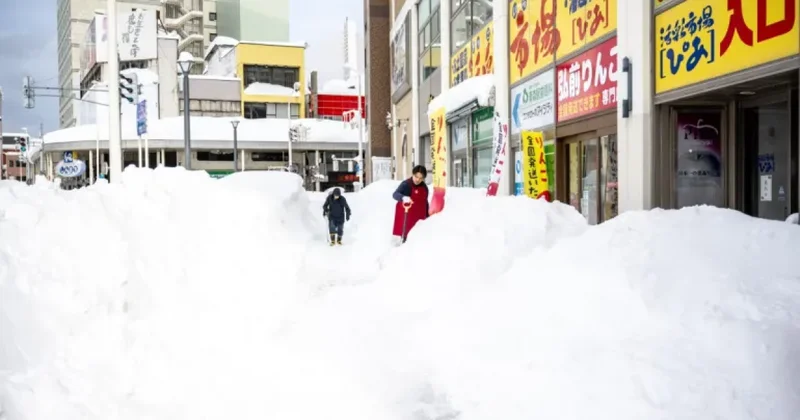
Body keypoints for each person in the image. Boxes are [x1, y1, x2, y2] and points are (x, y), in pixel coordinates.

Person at [392, 165, 430, 242]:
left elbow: (425, 202)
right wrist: (403, 197)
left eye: (420, 178)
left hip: (419, 222)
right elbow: (395, 194)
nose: (417, 180)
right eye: (416, 176)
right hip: (407, 221)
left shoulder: (424, 188)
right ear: (413, 174)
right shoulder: (406, 185)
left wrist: (427, 217)